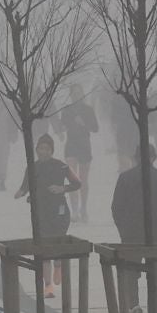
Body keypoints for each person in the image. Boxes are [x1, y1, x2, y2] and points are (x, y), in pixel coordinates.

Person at [110, 144, 157, 313]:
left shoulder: (125, 178)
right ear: (154, 158)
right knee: (156, 279)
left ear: (136, 157)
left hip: (131, 235)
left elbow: (116, 207)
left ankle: (134, 307)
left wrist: (123, 229)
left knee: (131, 274)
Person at [16, 133, 79, 295]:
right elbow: (25, 185)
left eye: (47, 149)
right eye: (40, 148)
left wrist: (62, 188)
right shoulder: (32, 167)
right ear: (36, 150)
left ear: (52, 150)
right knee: (43, 247)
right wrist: (20, 192)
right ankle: (48, 285)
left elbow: (77, 183)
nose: (43, 152)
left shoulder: (61, 166)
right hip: (40, 211)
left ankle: (58, 265)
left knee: (57, 243)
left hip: (59, 211)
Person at [55, 87, 100, 221]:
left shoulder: (88, 110)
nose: (76, 96)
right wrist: (60, 130)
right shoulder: (67, 110)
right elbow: (62, 126)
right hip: (71, 146)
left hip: (85, 146)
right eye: (74, 94)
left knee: (83, 180)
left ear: (83, 95)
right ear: (71, 95)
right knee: (73, 179)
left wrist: (84, 123)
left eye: (79, 93)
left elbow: (96, 128)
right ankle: (74, 210)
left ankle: (83, 208)